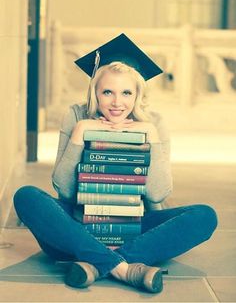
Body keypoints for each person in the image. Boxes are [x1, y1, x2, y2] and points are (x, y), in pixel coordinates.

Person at [13, 34, 217, 294]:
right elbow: (64, 190)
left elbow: (158, 193)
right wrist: (81, 132)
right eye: (107, 91)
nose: (117, 102)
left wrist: (151, 135)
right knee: (27, 197)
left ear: (138, 93)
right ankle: (124, 267)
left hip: (133, 226)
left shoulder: (154, 122)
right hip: (76, 225)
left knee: (205, 216)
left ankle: (94, 264)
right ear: (95, 92)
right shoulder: (77, 115)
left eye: (126, 92)